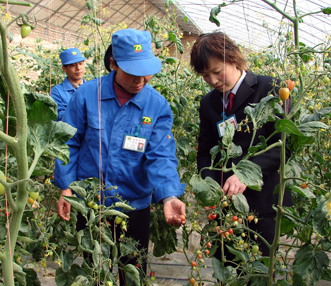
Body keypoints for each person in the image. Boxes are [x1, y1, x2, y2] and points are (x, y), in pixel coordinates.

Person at [54, 28, 186, 284]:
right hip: (92, 204)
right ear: (113, 63)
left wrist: (169, 195)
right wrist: (67, 187)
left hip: (134, 205)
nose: (140, 79)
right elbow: (67, 143)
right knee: (96, 270)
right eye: (132, 72)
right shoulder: (87, 95)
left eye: (145, 71)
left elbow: (161, 154)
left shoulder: (156, 106)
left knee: (133, 271)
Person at [190, 32, 293, 263]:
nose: (213, 81)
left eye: (217, 72)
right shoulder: (208, 103)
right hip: (225, 206)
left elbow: (285, 145)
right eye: (205, 76)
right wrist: (208, 188)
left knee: (257, 269)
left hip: (263, 204)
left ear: (234, 59)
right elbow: (205, 151)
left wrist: (244, 175)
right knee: (227, 268)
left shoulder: (272, 88)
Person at [50, 47, 86, 121]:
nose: (78, 68)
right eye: (73, 65)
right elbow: (60, 118)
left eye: (80, 63)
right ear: (64, 69)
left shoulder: (92, 88)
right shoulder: (57, 92)